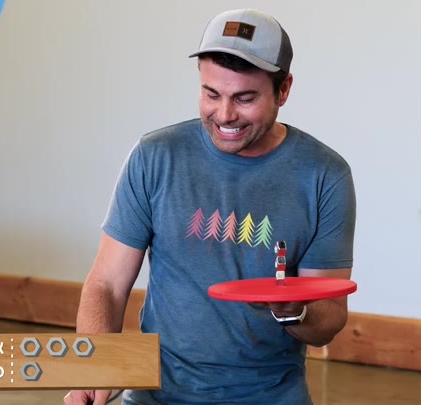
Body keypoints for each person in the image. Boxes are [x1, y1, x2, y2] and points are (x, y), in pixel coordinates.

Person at [63, 8, 356, 405]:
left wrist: (295, 310)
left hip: (269, 396)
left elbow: (329, 321)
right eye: (211, 94)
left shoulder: (324, 175)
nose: (225, 115)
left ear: (284, 90)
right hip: (155, 394)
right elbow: (107, 285)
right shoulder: (155, 156)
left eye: (245, 98)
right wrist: (93, 365)